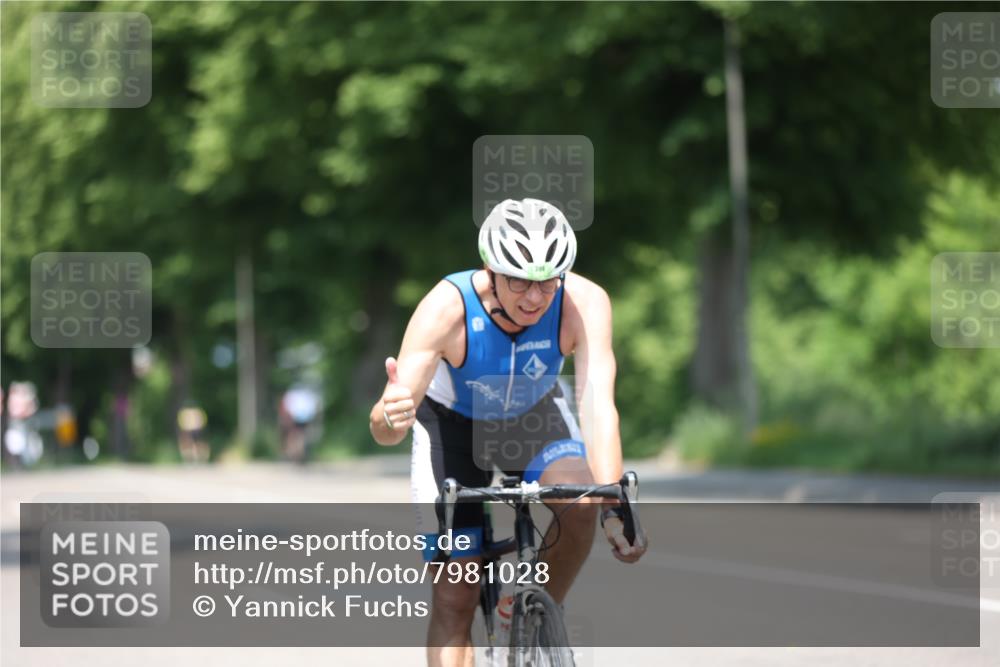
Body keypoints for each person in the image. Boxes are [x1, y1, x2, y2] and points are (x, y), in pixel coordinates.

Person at [370, 198, 647, 667]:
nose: (535, 298)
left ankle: (531, 614)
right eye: (519, 280)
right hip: (451, 424)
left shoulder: (584, 302)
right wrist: (388, 417)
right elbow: (386, 429)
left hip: (532, 414)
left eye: (547, 281)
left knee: (582, 502)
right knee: (455, 595)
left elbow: (598, 405)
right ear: (490, 270)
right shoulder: (446, 308)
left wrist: (614, 505)